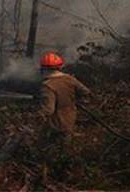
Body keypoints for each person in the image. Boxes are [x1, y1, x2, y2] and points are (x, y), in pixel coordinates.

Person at [36, 51, 91, 181]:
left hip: (54, 123)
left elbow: (48, 110)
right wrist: (74, 100)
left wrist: (37, 114)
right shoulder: (69, 79)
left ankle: (49, 175)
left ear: (43, 69)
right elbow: (86, 92)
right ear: (60, 67)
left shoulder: (47, 86)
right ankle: (68, 173)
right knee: (66, 147)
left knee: (44, 147)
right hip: (70, 119)